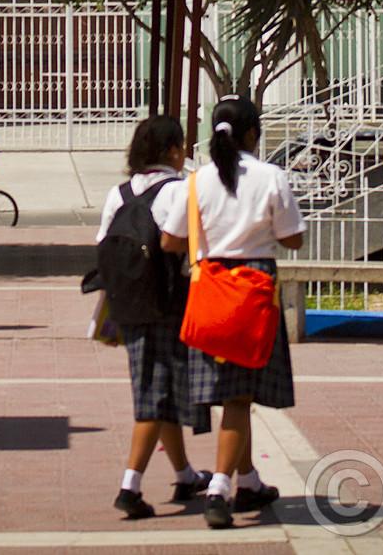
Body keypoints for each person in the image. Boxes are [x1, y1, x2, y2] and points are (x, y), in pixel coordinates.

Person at [155, 97, 304, 530]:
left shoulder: (197, 181)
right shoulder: (270, 176)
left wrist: (209, 244)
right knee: (239, 399)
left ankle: (250, 480)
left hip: (210, 289)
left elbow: (169, 240)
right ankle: (221, 487)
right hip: (254, 289)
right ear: (252, 134)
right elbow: (292, 238)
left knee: (232, 395)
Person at [97, 116, 211, 520]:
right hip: (170, 304)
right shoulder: (180, 190)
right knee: (153, 396)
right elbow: (189, 246)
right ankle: (130, 486)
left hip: (129, 306)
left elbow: (102, 246)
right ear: (171, 150)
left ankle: (185, 473)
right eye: (180, 146)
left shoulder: (119, 193)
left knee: (157, 389)